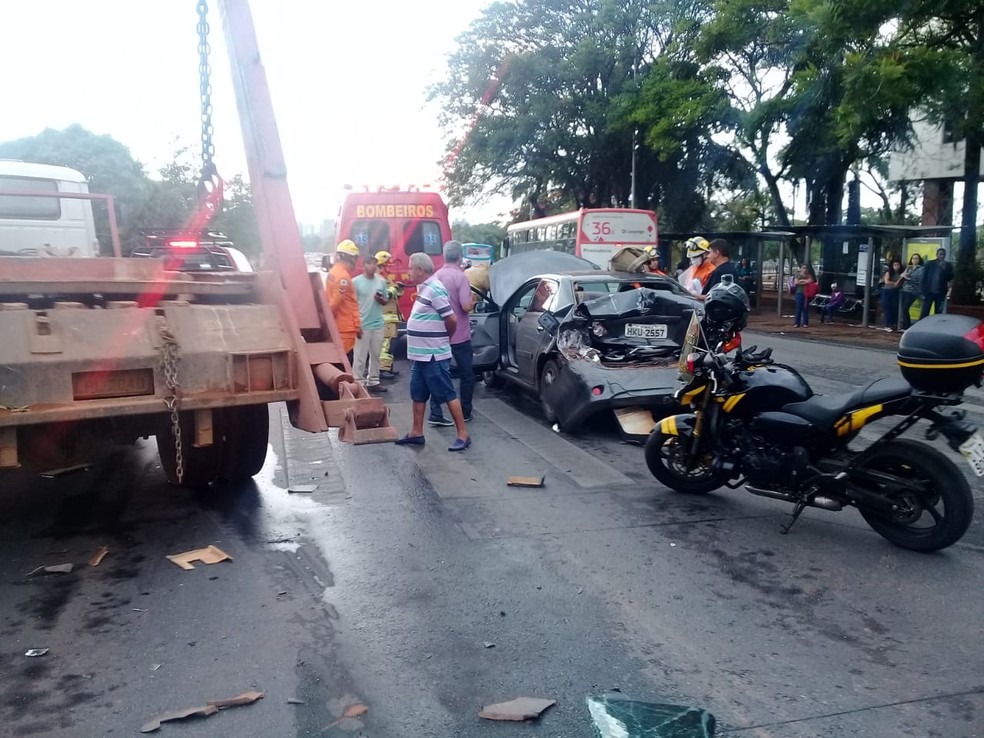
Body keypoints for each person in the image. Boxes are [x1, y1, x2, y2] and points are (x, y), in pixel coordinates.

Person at [394, 252, 471, 451]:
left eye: (411, 268)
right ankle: (416, 432)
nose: (408, 271)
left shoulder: (435, 289)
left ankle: (463, 434)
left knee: (447, 394)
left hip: (433, 354)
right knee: (418, 394)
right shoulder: (425, 288)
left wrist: (446, 338)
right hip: (421, 355)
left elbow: (451, 319)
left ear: (420, 270)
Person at [428, 240, 476, 426]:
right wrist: (472, 300)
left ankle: (436, 411)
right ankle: (465, 412)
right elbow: (465, 306)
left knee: (439, 373)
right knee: (467, 375)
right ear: (459, 257)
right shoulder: (461, 277)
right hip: (460, 335)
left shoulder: (436, 276)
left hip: (440, 334)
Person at [351, 253, 390, 393]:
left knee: (376, 354)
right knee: (360, 356)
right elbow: (351, 304)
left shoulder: (381, 281)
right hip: (362, 324)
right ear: (363, 265)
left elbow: (386, 300)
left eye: (374, 263)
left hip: (377, 323)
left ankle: (373, 381)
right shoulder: (355, 282)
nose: (372, 266)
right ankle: (358, 382)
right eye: (369, 263)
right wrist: (355, 324)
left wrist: (381, 300)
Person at [325, 239, 362, 363]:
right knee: (345, 362)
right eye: (354, 258)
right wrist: (356, 326)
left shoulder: (333, 272)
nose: (356, 261)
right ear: (348, 257)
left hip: (339, 325)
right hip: (345, 327)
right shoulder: (343, 277)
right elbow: (335, 304)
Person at [375, 250, 404, 379]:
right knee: (385, 344)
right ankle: (382, 369)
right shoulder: (378, 279)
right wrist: (394, 289)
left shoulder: (385, 279)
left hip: (391, 317)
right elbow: (385, 295)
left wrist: (399, 289)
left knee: (390, 344)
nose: (389, 267)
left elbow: (394, 295)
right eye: (387, 264)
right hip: (385, 317)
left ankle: (388, 367)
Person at [920, 248, 954, 318]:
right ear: (936, 255)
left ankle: (935, 327)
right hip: (929, 293)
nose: (942, 256)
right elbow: (924, 278)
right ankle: (921, 326)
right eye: (940, 254)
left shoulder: (948, 265)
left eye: (943, 255)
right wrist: (923, 291)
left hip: (940, 294)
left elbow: (950, 278)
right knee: (925, 312)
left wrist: (944, 269)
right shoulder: (929, 264)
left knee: (938, 313)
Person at [898, 252, 924, 330]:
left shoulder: (921, 269)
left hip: (913, 291)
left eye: (916, 258)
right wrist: (905, 276)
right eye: (913, 258)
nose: (914, 260)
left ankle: (907, 326)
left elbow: (918, 279)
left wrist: (907, 277)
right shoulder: (909, 267)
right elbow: (902, 275)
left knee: (906, 308)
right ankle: (905, 326)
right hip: (904, 289)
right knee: (903, 308)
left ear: (919, 260)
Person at [880, 258, 903, 331]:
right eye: (895, 265)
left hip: (895, 291)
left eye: (898, 265)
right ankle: (888, 325)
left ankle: (893, 324)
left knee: (894, 308)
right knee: (887, 308)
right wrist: (895, 283)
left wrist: (898, 284)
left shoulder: (901, 273)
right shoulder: (889, 272)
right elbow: (887, 281)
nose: (896, 266)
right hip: (887, 291)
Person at [792, 263, 814, 328]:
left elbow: (810, 281)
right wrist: (805, 281)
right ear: (801, 268)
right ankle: (797, 323)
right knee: (798, 308)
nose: (805, 269)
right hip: (799, 293)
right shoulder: (798, 274)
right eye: (803, 268)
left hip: (806, 294)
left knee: (805, 308)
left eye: (806, 268)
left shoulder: (809, 275)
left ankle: (805, 323)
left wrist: (802, 281)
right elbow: (796, 282)